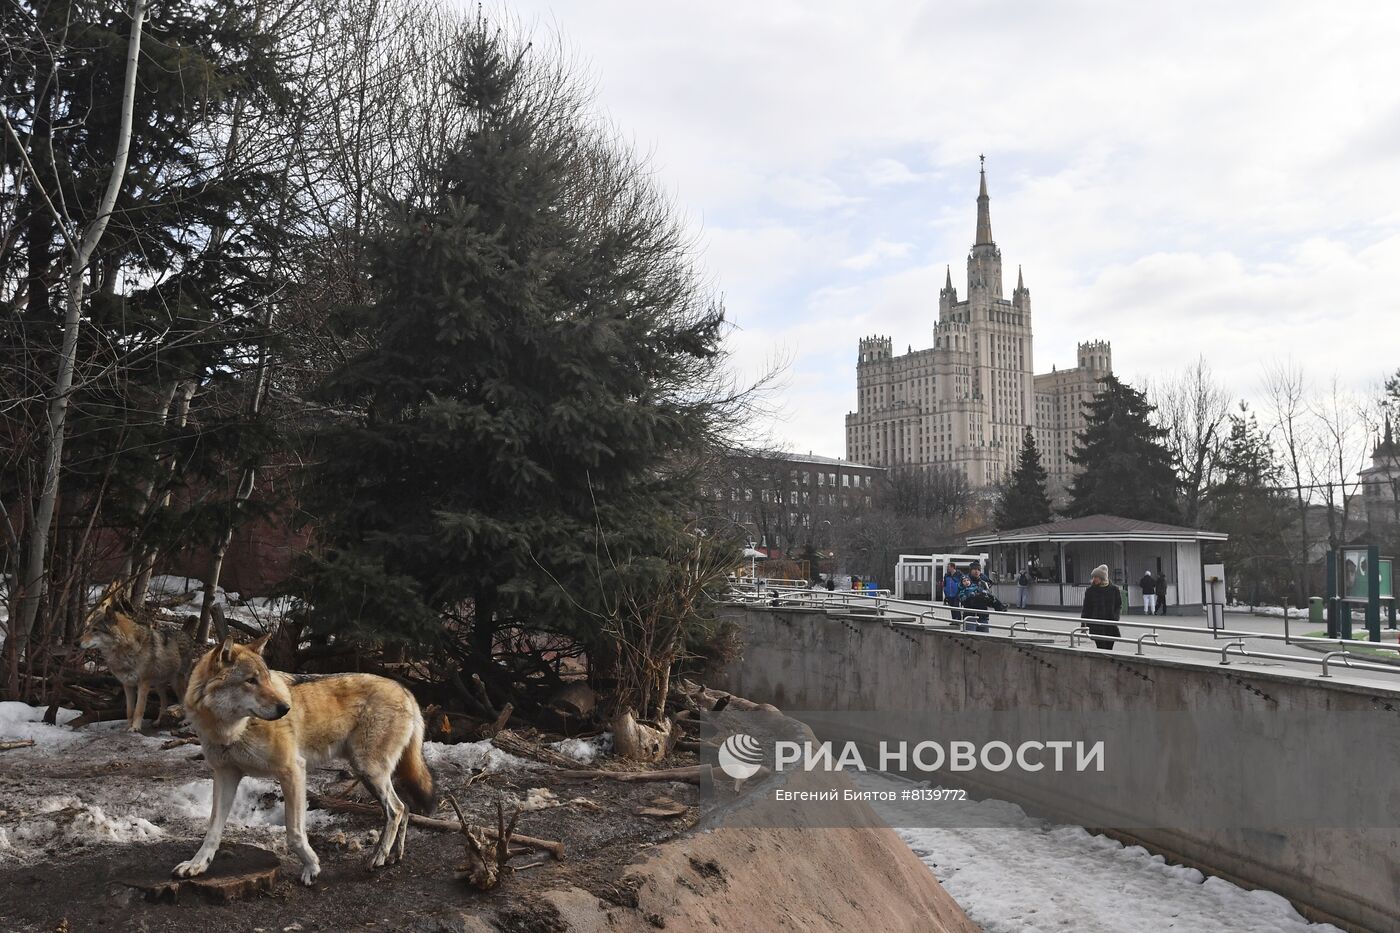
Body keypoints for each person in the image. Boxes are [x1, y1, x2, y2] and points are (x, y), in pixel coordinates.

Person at [1082, 564, 1122, 649]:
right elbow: (1086, 608)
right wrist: (1084, 623)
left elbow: (1118, 605)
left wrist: (1115, 618)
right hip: (1096, 625)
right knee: (1101, 648)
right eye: (1093, 577)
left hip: (1110, 625)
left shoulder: (1114, 589)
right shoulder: (1090, 591)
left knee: (1109, 648)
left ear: (1102, 578)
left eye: (1096, 577)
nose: (1094, 579)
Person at [958, 563, 1002, 632]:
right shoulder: (965, 581)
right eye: (975, 569)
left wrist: (990, 601)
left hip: (983, 615)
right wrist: (975, 597)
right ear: (970, 570)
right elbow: (962, 599)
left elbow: (988, 597)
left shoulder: (983, 583)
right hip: (970, 615)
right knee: (970, 638)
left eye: (978, 570)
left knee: (984, 638)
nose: (977, 571)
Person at [943, 561, 965, 626]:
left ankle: (958, 620)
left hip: (957, 593)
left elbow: (963, 583)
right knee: (952, 607)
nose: (947, 568)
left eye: (948, 567)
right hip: (949, 594)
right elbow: (945, 584)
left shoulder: (959, 574)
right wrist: (945, 592)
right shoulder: (947, 575)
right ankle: (953, 620)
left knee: (956, 607)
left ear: (952, 567)